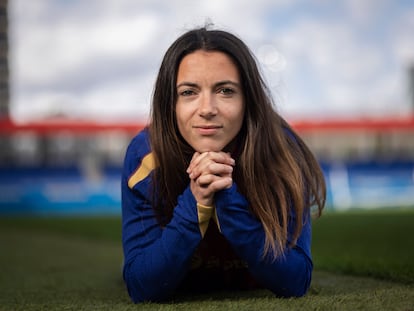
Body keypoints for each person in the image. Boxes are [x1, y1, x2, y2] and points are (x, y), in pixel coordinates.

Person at [121, 26, 326, 303]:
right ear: (170, 103)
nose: (207, 108)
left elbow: (295, 280)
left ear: (248, 100)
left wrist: (226, 196)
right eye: (188, 92)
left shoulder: (281, 151)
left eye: (226, 90)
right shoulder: (145, 156)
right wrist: (196, 202)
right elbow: (141, 286)